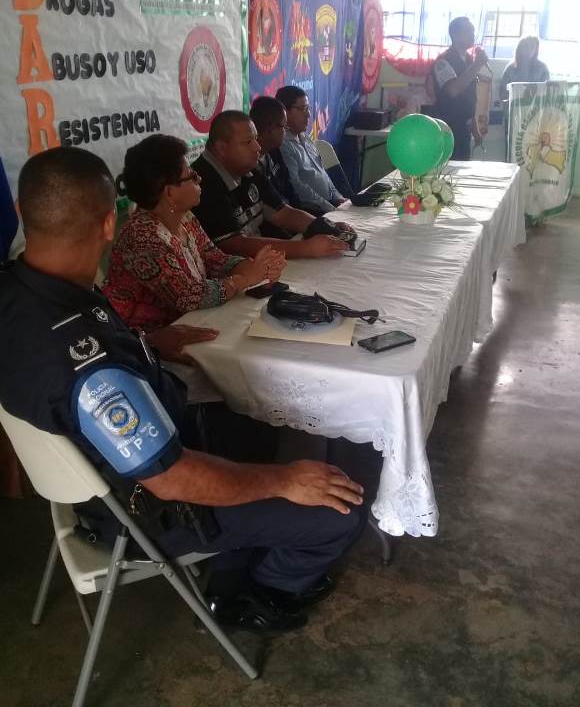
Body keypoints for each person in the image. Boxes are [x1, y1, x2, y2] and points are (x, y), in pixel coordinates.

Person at [0, 147, 366, 633]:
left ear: (22, 211)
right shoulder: (91, 368)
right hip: (146, 509)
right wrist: (284, 482)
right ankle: (254, 594)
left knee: (274, 418)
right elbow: (171, 479)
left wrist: (148, 342)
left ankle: (240, 559)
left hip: (130, 455)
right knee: (339, 513)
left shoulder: (18, 290)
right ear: (109, 224)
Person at [103, 134, 286, 339]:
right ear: (170, 193)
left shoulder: (186, 218)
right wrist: (244, 280)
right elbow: (188, 296)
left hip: (188, 324)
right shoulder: (141, 237)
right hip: (143, 341)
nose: (199, 179)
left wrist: (252, 266)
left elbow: (213, 258)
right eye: (191, 176)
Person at [192, 111, 349, 259]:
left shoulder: (247, 168)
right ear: (221, 148)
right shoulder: (201, 183)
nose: (257, 147)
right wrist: (306, 248)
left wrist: (324, 227)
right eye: (248, 142)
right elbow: (233, 245)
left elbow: (282, 213)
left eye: (255, 139)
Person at [276, 85, 353, 214]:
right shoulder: (283, 146)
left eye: (308, 108)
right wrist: (331, 209)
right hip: (312, 211)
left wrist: (338, 198)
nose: (308, 114)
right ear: (285, 112)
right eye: (302, 109)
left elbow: (322, 174)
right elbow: (298, 188)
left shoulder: (306, 138)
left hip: (330, 205)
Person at [431, 16, 490, 161]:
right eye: (468, 30)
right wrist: (477, 65)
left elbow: (469, 98)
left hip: (465, 128)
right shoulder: (443, 61)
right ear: (455, 35)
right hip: (448, 128)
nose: (472, 34)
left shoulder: (469, 60)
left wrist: (475, 129)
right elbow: (453, 90)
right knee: (449, 169)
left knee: (463, 169)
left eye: (473, 30)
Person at [499, 36, 550, 102]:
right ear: (520, 48)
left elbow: (546, 92)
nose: (529, 49)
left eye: (532, 47)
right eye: (526, 46)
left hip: (536, 105)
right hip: (514, 105)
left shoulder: (542, 68)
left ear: (536, 49)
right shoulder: (511, 68)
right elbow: (503, 94)